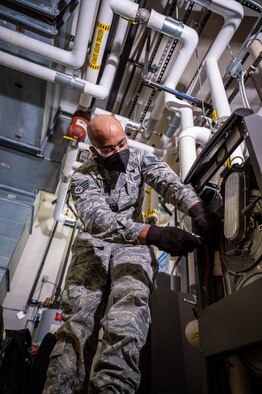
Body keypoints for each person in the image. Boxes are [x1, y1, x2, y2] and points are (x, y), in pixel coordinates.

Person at [43, 114, 220, 394]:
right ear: (94, 150)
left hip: (132, 249)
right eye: (109, 149)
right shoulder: (82, 177)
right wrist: (155, 234)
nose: (119, 152)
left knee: (128, 316)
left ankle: (113, 389)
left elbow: (169, 183)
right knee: (77, 325)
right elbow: (98, 220)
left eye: (121, 143)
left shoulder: (138, 157)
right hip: (93, 247)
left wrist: (197, 210)